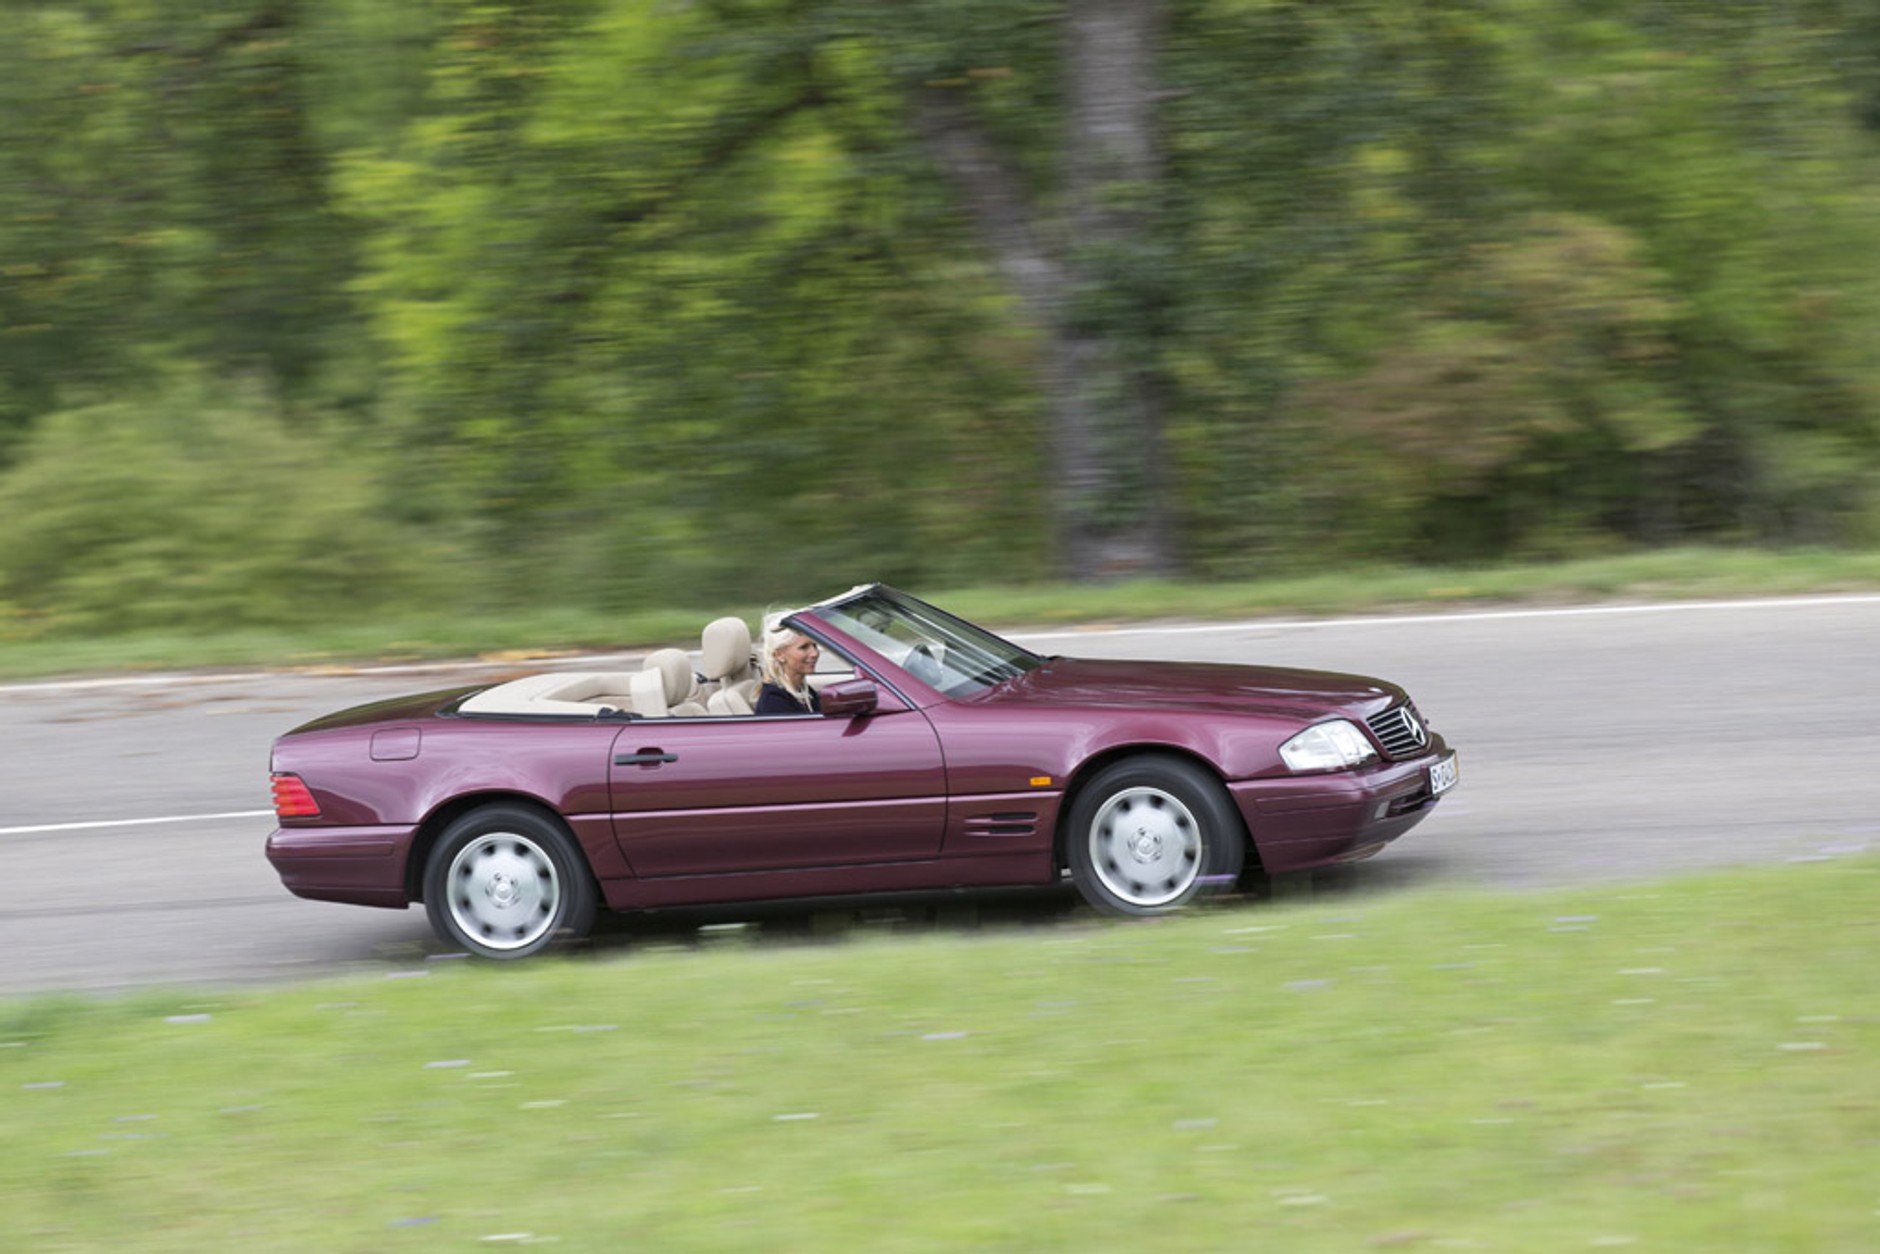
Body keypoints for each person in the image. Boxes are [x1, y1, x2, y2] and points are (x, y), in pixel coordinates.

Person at [755, 620, 821, 714]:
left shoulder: (801, 689)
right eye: (804, 647)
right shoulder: (774, 701)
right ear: (779, 655)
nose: (815, 653)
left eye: (815, 645)